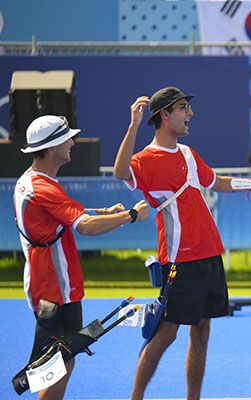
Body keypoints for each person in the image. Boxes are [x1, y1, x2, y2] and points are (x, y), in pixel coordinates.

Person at [113, 87, 251, 400]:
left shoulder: (187, 153)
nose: (190, 114)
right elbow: (120, 172)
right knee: (166, 332)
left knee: (201, 331)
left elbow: (220, 183)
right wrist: (132, 125)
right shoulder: (146, 159)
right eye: (183, 108)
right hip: (180, 262)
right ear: (164, 115)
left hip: (210, 255)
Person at [13, 115, 150, 400]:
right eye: (67, 138)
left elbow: (59, 215)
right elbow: (82, 226)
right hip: (55, 289)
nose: (73, 143)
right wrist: (132, 215)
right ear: (52, 146)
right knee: (58, 361)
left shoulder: (31, 181)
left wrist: (103, 214)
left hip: (49, 285)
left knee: (60, 360)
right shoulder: (43, 187)